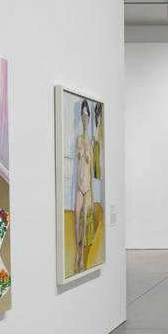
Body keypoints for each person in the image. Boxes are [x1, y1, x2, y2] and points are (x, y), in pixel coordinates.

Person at [74, 100, 95, 274]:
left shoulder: (90, 144)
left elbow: (91, 171)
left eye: (86, 115)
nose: (85, 118)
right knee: (75, 219)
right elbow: (77, 168)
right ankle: (77, 254)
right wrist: (75, 188)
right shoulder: (79, 140)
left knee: (83, 224)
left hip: (87, 189)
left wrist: (93, 198)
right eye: (83, 115)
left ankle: (81, 255)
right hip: (79, 189)